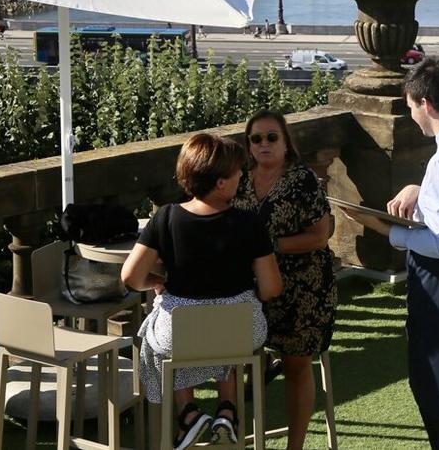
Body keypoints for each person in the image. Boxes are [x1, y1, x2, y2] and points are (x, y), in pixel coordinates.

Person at [339, 58, 439, 450]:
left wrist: (390, 232)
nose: (411, 115)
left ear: (425, 103)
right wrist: (418, 189)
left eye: (410, 106)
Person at [122, 133, 283, 448]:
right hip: (238, 329)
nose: (242, 175)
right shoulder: (249, 223)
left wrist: (157, 282)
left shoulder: (165, 218)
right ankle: (228, 410)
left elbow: (130, 276)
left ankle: (188, 412)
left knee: (159, 335)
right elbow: (271, 288)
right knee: (227, 332)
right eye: (237, 171)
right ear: (221, 183)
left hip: (183, 333)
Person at [232, 111, 336, 450]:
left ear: (286, 142)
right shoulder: (239, 180)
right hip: (251, 289)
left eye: (271, 137)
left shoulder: (303, 180)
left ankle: (295, 446)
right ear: (248, 145)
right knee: (234, 361)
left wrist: (270, 247)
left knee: (296, 366)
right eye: (256, 138)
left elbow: (320, 236)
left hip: (302, 288)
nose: (264, 144)